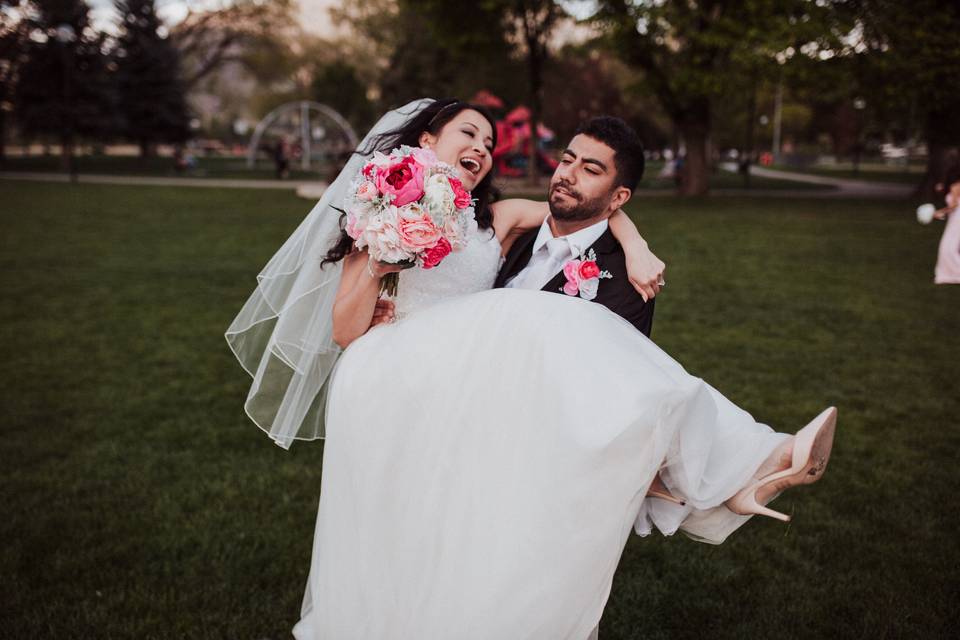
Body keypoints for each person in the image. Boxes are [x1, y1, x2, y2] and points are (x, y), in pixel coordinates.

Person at [226, 99, 836, 640]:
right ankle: (721, 467)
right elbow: (342, 331)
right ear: (427, 143)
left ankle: (731, 473)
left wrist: (637, 243)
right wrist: (385, 251)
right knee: (538, 318)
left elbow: (579, 209)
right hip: (395, 373)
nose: (481, 149)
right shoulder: (376, 216)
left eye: (489, 144)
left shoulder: (491, 218)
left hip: (465, 380)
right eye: (468, 134)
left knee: (443, 525)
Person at [934, 170, 960, 284]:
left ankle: (953, 273)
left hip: (957, 218)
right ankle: (948, 273)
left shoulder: (955, 186)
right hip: (954, 217)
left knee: (948, 246)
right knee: (951, 246)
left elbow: (954, 205)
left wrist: (940, 212)